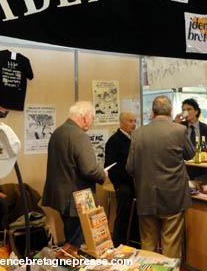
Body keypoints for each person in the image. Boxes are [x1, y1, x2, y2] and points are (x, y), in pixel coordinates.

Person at [126, 95, 194, 258]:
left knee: (148, 244)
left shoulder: (138, 134)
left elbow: (129, 168)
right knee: (171, 243)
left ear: (153, 112)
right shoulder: (179, 130)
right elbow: (190, 154)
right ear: (170, 111)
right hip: (174, 197)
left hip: (146, 196)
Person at [42, 101, 107, 246]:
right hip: (77, 200)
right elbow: (89, 169)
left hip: (60, 197)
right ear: (84, 117)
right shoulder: (79, 135)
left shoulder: (58, 132)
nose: (91, 123)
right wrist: (103, 175)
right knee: (80, 244)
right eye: (92, 119)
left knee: (70, 239)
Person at [104, 111, 138, 247]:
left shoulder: (134, 139)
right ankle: (119, 245)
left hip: (136, 184)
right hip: (124, 185)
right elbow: (110, 166)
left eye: (135, 121)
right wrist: (119, 185)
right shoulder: (114, 141)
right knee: (123, 217)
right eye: (130, 121)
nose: (134, 124)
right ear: (121, 122)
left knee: (136, 218)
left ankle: (134, 244)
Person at [174, 98, 207, 178]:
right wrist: (175, 123)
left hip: (202, 170)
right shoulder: (179, 127)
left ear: (196, 111)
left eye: (189, 109)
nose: (186, 112)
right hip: (184, 169)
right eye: (184, 110)